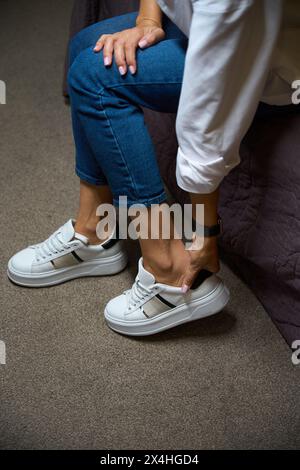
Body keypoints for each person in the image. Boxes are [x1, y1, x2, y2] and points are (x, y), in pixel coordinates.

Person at [7, 0, 299, 336]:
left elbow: (209, 112)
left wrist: (205, 232)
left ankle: (169, 271)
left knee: (96, 78)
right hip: (207, 25)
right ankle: (96, 228)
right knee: (85, 47)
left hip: (267, 64)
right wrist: (148, 19)